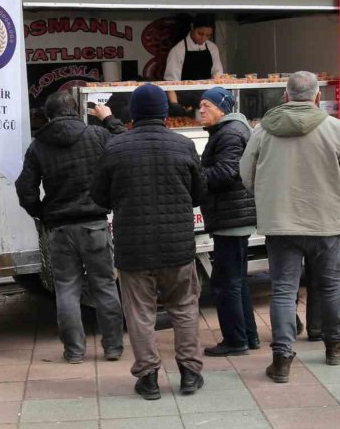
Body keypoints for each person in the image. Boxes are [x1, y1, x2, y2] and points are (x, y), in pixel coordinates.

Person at [240, 71, 340, 383]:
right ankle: (335, 347)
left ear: (285, 96)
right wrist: (335, 186)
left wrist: (267, 195)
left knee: (283, 289)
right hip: (325, 221)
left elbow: (246, 174)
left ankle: (282, 358)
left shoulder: (263, 130)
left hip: (281, 224)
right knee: (329, 285)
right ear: (318, 97)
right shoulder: (336, 128)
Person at [91, 84, 206, 399]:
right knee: (184, 307)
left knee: (140, 313)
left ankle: (148, 378)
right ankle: (190, 373)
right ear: (165, 112)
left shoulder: (115, 148)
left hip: (133, 248)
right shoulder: (183, 146)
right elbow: (199, 193)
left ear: (134, 114)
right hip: (178, 246)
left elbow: (99, 196)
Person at [15, 91, 125, 364]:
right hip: (94, 225)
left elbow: (24, 189)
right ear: (76, 110)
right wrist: (109, 119)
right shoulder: (97, 136)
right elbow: (125, 146)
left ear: (48, 115)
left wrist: (42, 213)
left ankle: (74, 351)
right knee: (104, 286)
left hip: (60, 228)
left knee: (66, 289)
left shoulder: (39, 145)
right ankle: (113, 347)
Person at [196, 87, 260, 357]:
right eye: (200, 105)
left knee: (226, 282)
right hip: (231, 216)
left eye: (207, 105)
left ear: (223, 108)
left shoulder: (230, 133)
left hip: (232, 217)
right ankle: (249, 336)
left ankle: (235, 340)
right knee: (235, 280)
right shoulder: (228, 131)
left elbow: (226, 172)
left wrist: (193, 175)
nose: (201, 110)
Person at [164, 14, 224, 109]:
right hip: (184, 103)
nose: (204, 38)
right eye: (200, 33)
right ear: (192, 27)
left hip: (207, 102)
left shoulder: (212, 48)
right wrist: (175, 106)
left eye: (208, 35)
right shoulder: (178, 50)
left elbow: (218, 75)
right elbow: (171, 83)